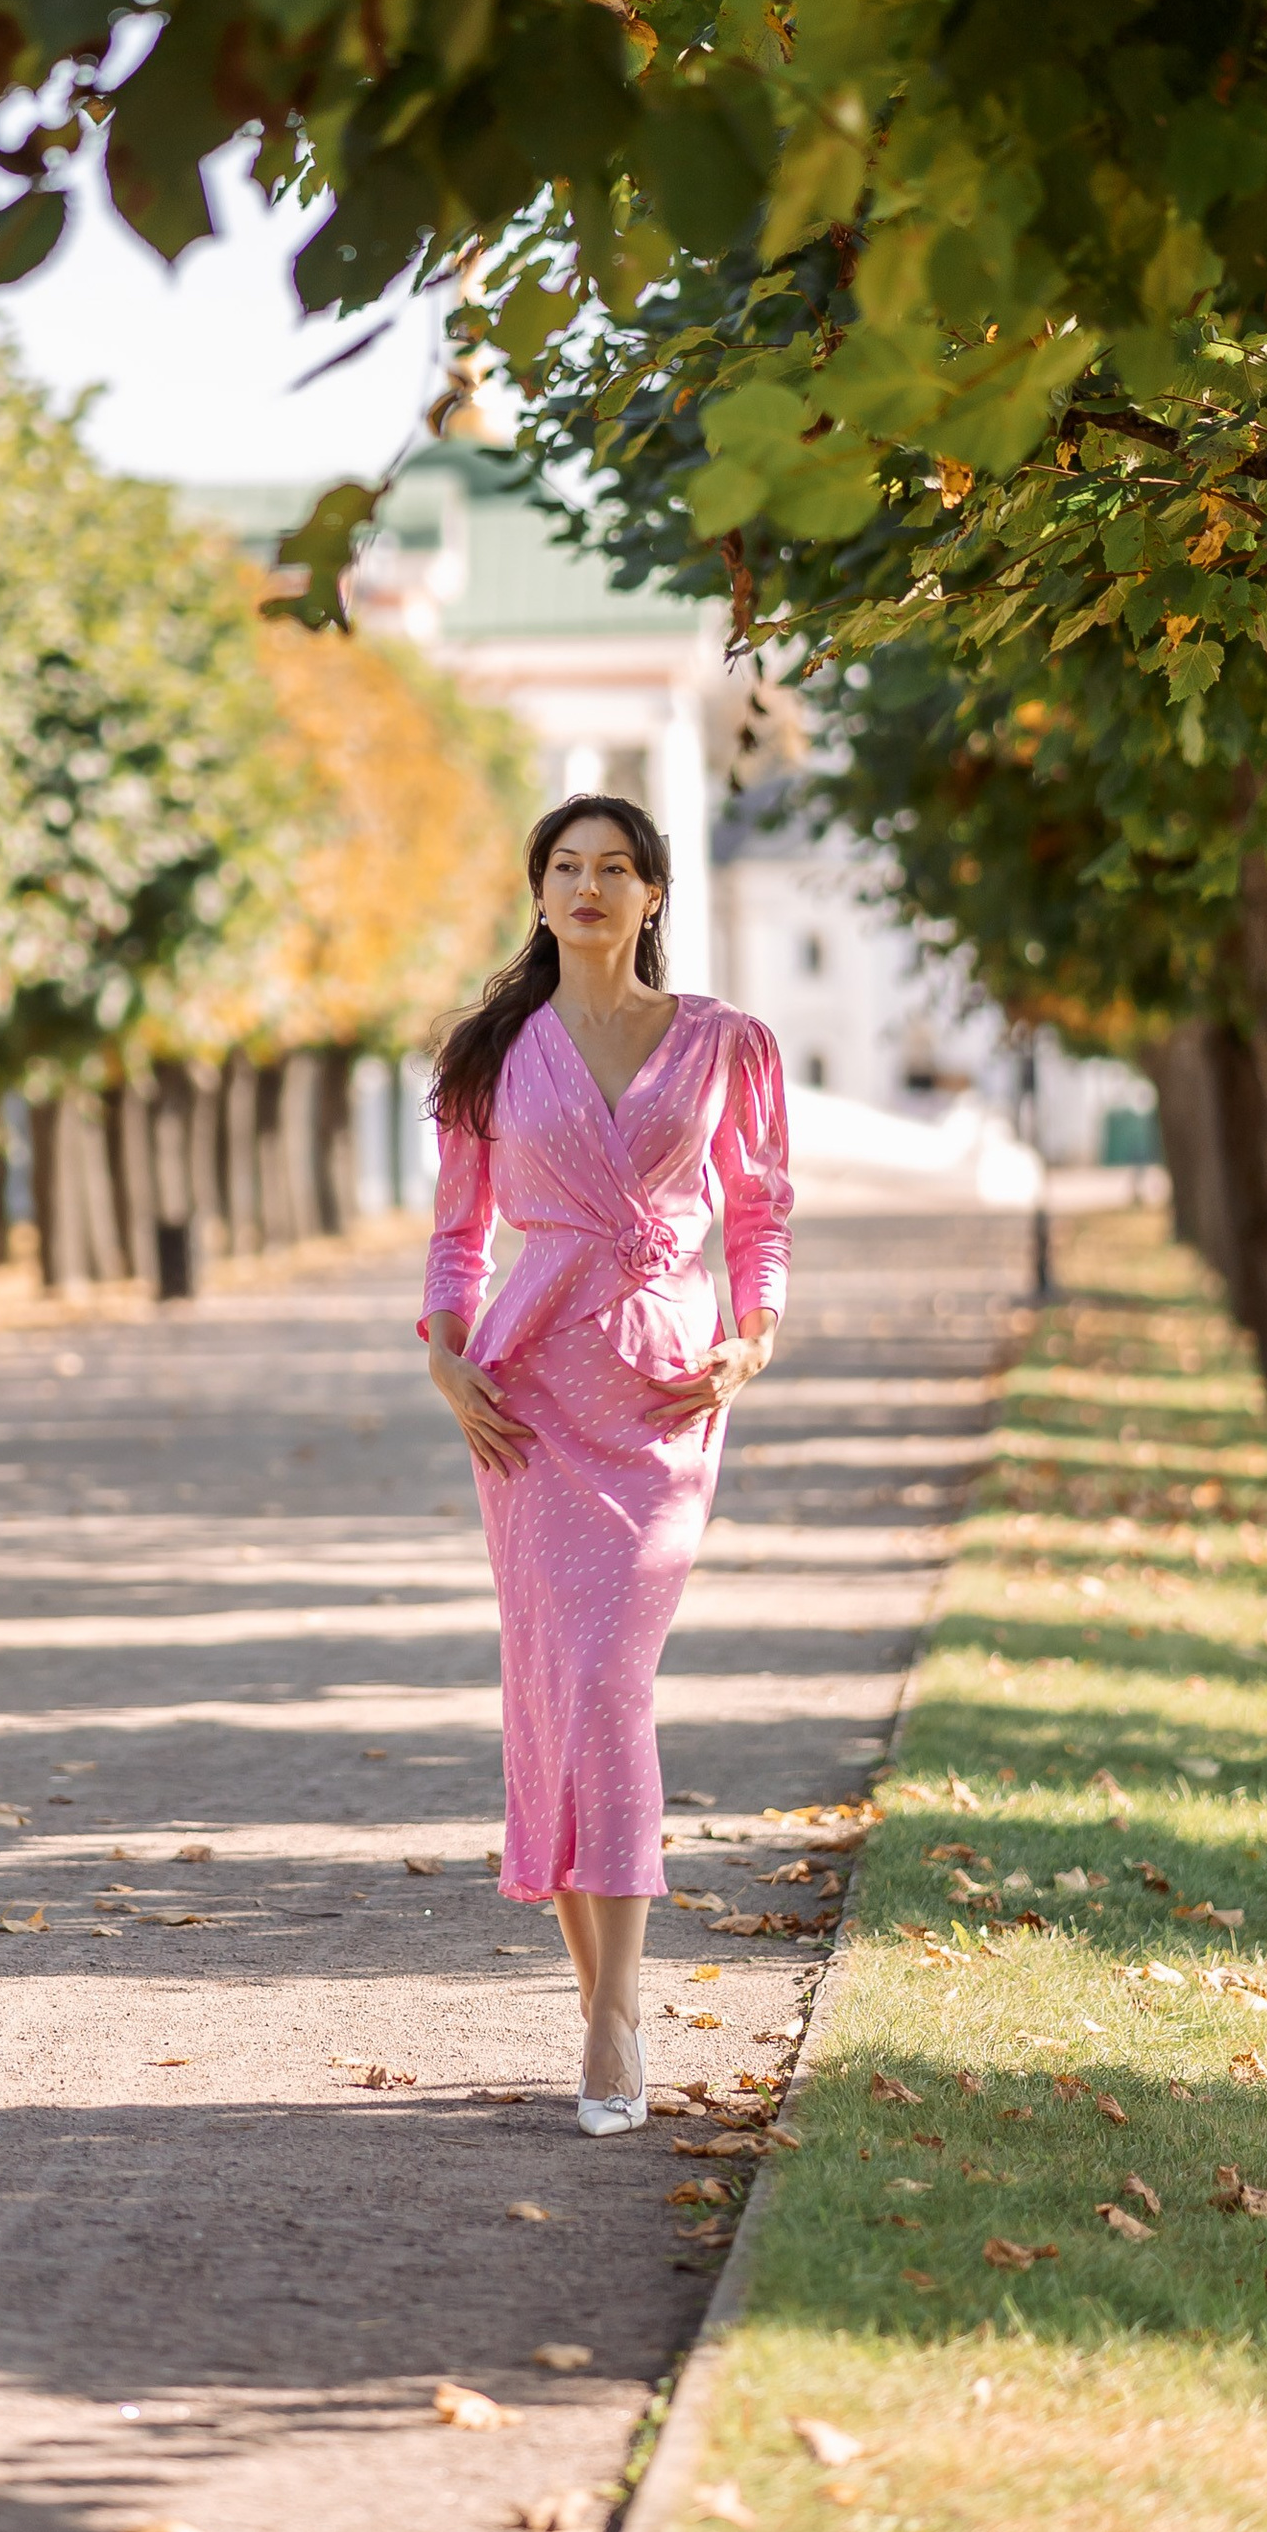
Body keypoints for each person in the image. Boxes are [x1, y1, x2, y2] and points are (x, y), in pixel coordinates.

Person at [420, 796, 791, 2135]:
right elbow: (458, 1240)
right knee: (567, 1685)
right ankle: (608, 2014)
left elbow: (761, 1212)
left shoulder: (728, 1046)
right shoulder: (492, 1054)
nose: (588, 887)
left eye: (613, 869)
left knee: (608, 1673)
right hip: (525, 1404)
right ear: (539, 895)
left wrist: (756, 1337)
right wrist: (442, 1357)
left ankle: (615, 2015)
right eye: (565, 868)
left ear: (651, 896)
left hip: (667, 1393)